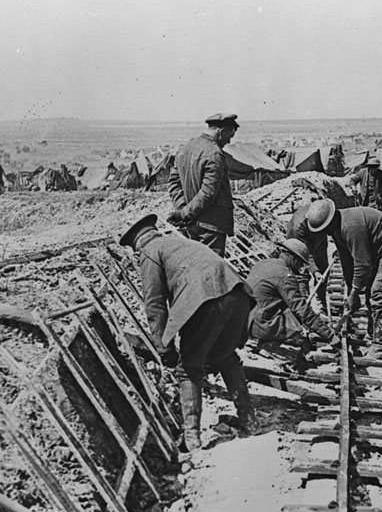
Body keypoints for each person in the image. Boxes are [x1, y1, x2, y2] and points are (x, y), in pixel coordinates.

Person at [119, 213, 257, 452]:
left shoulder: (150, 253)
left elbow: (155, 304)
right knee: (226, 357)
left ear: (135, 245)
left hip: (206, 301)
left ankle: (192, 439)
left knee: (189, 369)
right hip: (237, 293)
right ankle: (249, 420)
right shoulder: (179, 242)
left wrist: (164, 349)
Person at [305, 200, 382, 358]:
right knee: (370, 290)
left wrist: (355, 293)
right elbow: (347, 260)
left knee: (379, 293)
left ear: (330, 220)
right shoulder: (336, 229)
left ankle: (380, 347)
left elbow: (363, 263)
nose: (324, 233)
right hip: (378, 247)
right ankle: (373, 334)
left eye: (324, 229)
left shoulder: (351, 227)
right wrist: (350, 291)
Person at [246, 238, 336, 354]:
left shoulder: (262, 263)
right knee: (300, 336)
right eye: (300, 262)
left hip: (245, 321)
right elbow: (302, 310)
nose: (300, 266)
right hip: (260, 326)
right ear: (293, 258)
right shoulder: (285, 275)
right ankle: (272, 344)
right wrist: (329, 335)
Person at [167, 113, 239, 256]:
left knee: (196, 266)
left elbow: (174, 183)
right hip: (211, 227)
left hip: (191, 224)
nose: (228, 141)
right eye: (229, 136)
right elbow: (208, 193)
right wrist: (184, 213)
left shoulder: (185, 148)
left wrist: (183, 210)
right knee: (211, 271)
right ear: (221, 131)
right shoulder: (214, 154)